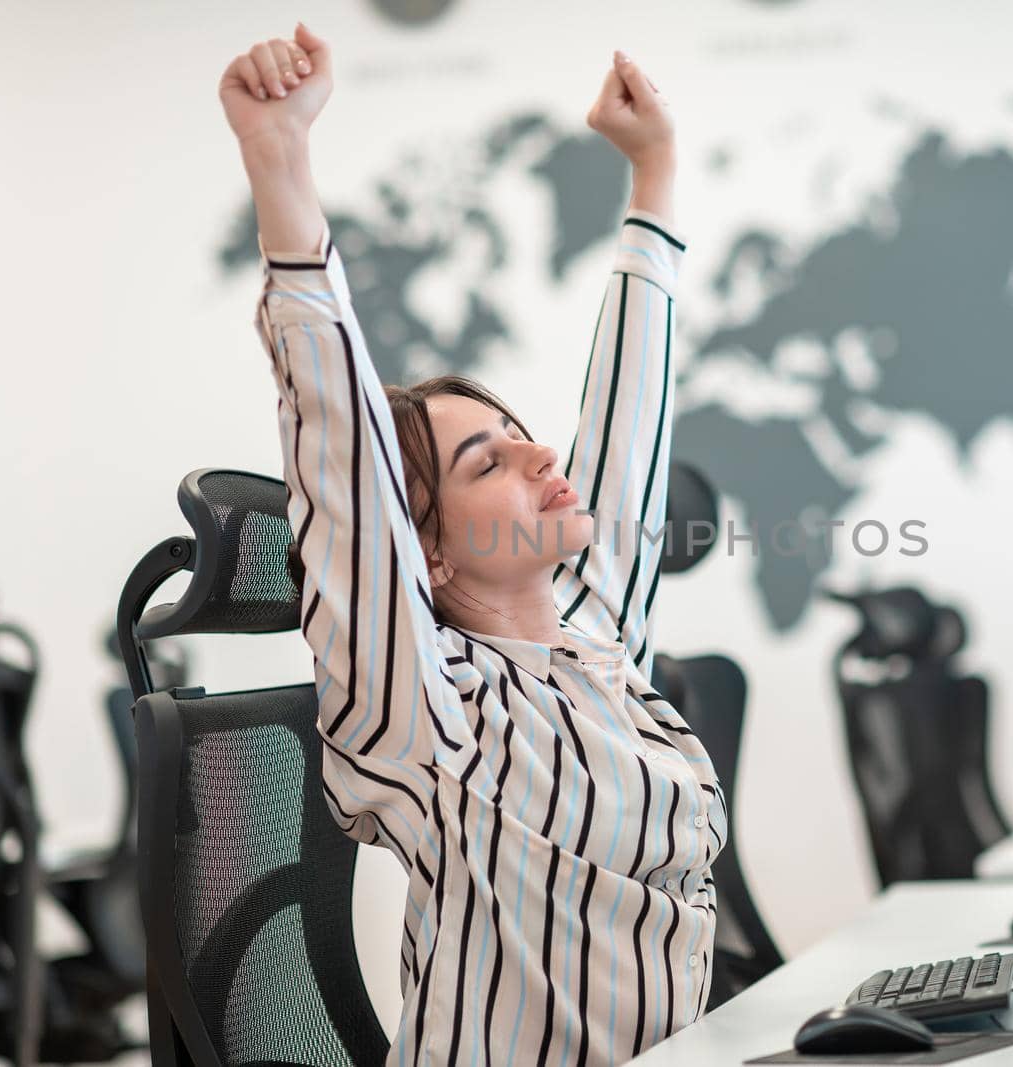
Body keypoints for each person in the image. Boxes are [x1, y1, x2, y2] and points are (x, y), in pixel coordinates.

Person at [219, 24, 726, 1066]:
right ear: (426, 556)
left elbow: (631, 424)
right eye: (487, 464)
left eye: (518, 434)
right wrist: (281, 160)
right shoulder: (426, 705)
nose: (544, 453)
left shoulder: (595, 641)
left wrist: (654, 169)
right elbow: (342, 463)